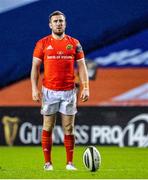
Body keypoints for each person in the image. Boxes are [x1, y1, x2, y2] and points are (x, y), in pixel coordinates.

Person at [30, 10, 89, 171]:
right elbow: (35, 67)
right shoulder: (42, 43)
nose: (58, 24)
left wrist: (86, 86)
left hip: (69, 91)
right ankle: (47, 163)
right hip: (49, 91)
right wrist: (34, 88)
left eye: (61, 21)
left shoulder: (74, 43)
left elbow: (82, 66)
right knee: (47, 126)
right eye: (55, 21)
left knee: (69, 128)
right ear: (50, 24)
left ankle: (70, 163)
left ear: (65, 23)